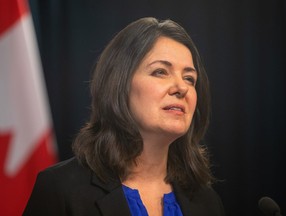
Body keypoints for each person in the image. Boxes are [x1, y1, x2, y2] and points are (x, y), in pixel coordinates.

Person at [23, 17, 225, 216]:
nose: (182, 88)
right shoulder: (61, 189)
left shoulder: (207, 201)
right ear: (120, 84)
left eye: (189, 78)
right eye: (160, 72)